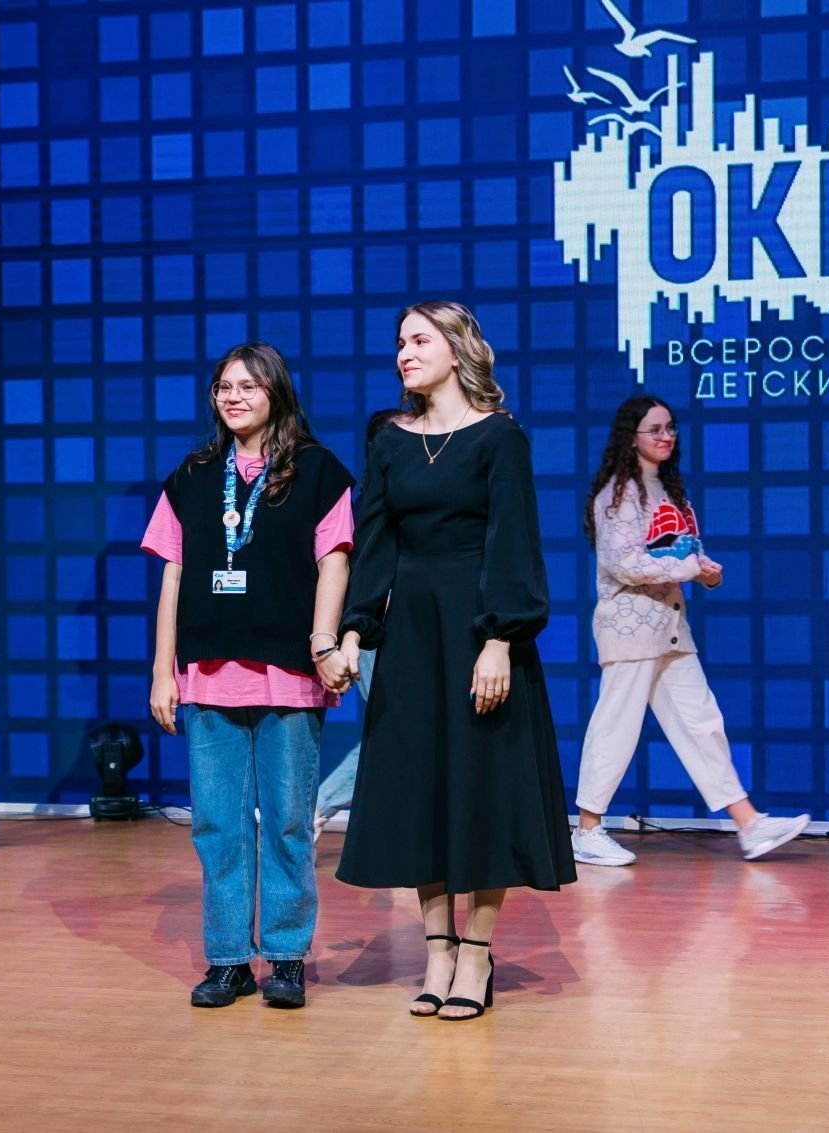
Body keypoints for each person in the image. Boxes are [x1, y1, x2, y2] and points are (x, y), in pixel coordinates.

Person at [336, 301, 575, 1022]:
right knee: (421, 790)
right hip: (411, 635)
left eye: (418, 340)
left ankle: (477, 952)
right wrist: (354, 632)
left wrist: (501, 638)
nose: (404, 353)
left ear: (458, 348)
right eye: (399, 343)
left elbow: (514, 542)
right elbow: (375, 545)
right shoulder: (391, 442)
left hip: (478, 629)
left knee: (484, 787)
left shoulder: (500, 437)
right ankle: (437, 949)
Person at [144, 343, 354, 1010]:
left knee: (288, 822)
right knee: (218, 825)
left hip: (290, 674)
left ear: (277, 394)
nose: (233, 397)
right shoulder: (193, 476)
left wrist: (324, 643)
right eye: (224, 387)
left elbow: (336, 562)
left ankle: (287, 955)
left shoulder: (318, 470)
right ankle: (229, 959)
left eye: (248, 386)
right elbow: (173, 575)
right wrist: (163, 670)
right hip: (208, 675)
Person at [572, 396, 810, 867]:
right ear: (631, 438)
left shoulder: (668, 490)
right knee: (616, 726)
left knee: (702, 723)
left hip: (670, 626)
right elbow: (623, 563)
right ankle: (587, 829)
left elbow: (680, 552)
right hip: (631, 627)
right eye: (655, 429)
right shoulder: (618, 494)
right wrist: (687, 568)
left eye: (670, 428)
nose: (666, 437)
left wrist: (705, 571)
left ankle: (749, 825)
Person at [313, 408, 403, 843]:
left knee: (404, 730)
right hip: (374, 630)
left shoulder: (406, 495)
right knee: (395, 730)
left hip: (408, 629)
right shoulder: (370, 503)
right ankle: (316, 810)